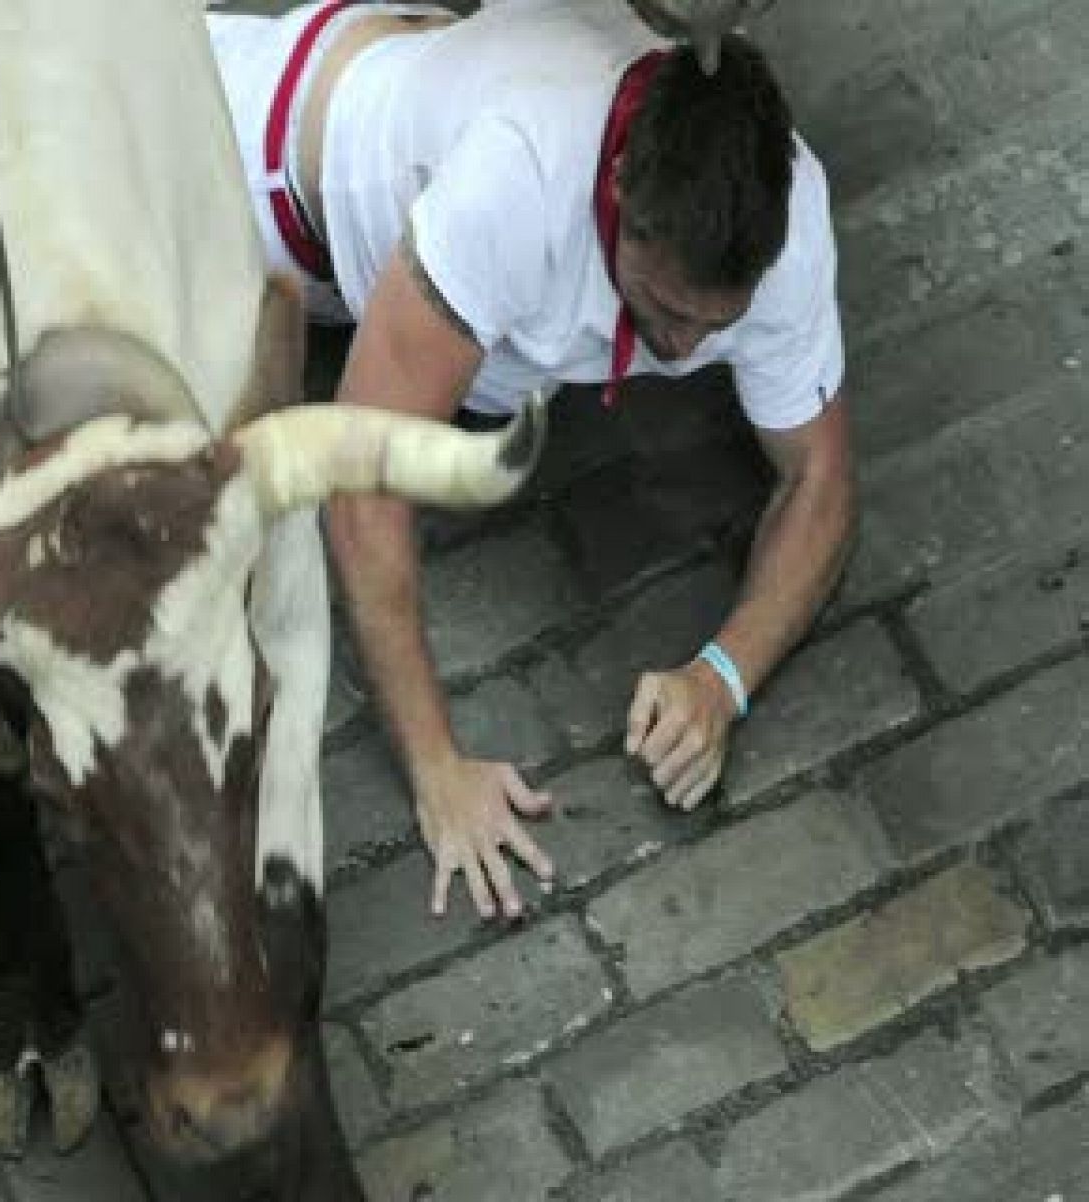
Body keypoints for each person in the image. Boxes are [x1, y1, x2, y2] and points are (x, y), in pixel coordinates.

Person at [206, 0, 856, 920]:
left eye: (718, 325)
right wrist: (437, 770)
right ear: (623, 191)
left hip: (439, 99)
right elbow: (360, 493)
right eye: (665, 311)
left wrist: (724, 676)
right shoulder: (517, 184)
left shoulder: (792, 216)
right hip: (257, 159)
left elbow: (819, 480)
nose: (682, 347)